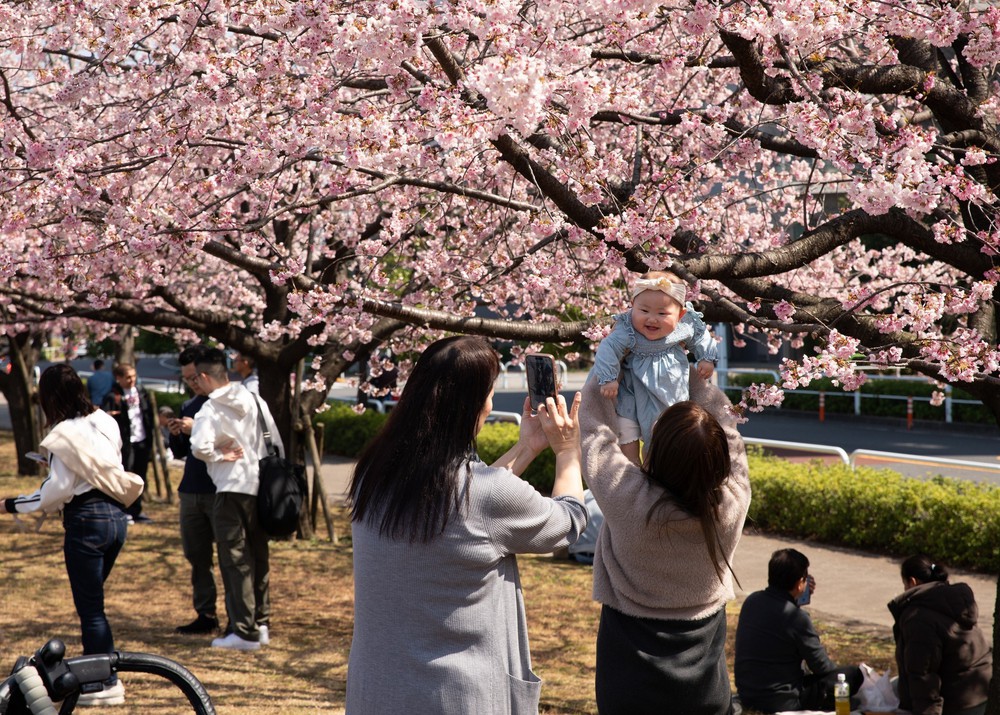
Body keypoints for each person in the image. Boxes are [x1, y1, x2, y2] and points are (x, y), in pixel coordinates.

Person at [345, 335, 588, 714]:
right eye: (489, 393)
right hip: (455, 696)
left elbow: (469, 504)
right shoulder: (483, 495)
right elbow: (568, 522)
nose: (492, 403)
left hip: (377, 691)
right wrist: (568, 452)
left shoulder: (373, 474)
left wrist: (527, 448)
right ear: (474, 404)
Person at [580, 368, 750, 715]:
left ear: (655, 452)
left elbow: (595, 432)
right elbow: (730, 433)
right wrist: (692, 371)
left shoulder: (628, 499)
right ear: (718, 462)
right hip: (704, 681)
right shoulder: (731, 504)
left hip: (627, 676)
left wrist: (612, 362)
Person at [1, 364, 139, 706]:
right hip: (117, 518)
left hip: (86, 520)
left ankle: (103, 682)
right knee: (94, 605)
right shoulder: (106, 420)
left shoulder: (63, 432)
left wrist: (12, 504)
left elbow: (56, 491)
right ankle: (103, 675)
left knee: (91, 608)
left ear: (49, 397)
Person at [190, 347, 280, 651]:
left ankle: (243, 631)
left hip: (230, 489)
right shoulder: (254, 399)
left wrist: (220, 454)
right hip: (260, 487)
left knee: (235, 559)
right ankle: (261, 622)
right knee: (258, 556)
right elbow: (275, 442)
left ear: (203, 377)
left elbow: (199, 447)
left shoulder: (210, 409)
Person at [592, 270, 718, 464]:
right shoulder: (627, 329)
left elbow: (702, 336)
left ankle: (654, 472)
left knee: (663, 439)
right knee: (626, 433)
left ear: (680, 314)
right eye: (644, 311)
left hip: (668, 391)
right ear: (632, 306)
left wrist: (706, 358)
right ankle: (631, 471)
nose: (652, 319)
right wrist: (609, 378)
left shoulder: (684, 327)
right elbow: (608, 348)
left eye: (662, 313)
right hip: (632, 393)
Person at [734, 548, 863, 713]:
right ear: (800, 583)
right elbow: (822, 666)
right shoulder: (798, 618)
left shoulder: (751, 601)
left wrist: (795, 601)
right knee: (852, 674)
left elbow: (778, 619)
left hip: (748, 693)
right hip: (782, 700)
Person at [888, 554, 991, 715]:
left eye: (904, 584)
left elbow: (922, 673)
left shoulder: (918, 617)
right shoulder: (956, 602)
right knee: (894, 685)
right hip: (982, 690)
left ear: (912, 582)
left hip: (958, 701)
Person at [167, 344, 221, 635]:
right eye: (187, 378)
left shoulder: (227, 403)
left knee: (230, 556)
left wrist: (196, 428)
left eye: (194, 377)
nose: (192, 383)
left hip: (220, 488)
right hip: (191, 488)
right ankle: (206, 613)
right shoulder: (189, 406)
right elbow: (179, 452)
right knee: (196, 555)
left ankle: (242, 620)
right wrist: (176, 433)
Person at [101, 362, 155, 523]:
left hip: (142, 440)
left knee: (140, 476)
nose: (132, 380)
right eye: (128, 377)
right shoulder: (113, 396)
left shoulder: (141, 392)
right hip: (125, 443)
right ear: (119, 378)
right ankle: (123, 510)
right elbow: (104, 418)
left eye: (134, 376)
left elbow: (148, 416)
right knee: (125, 476)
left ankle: (137, 510)